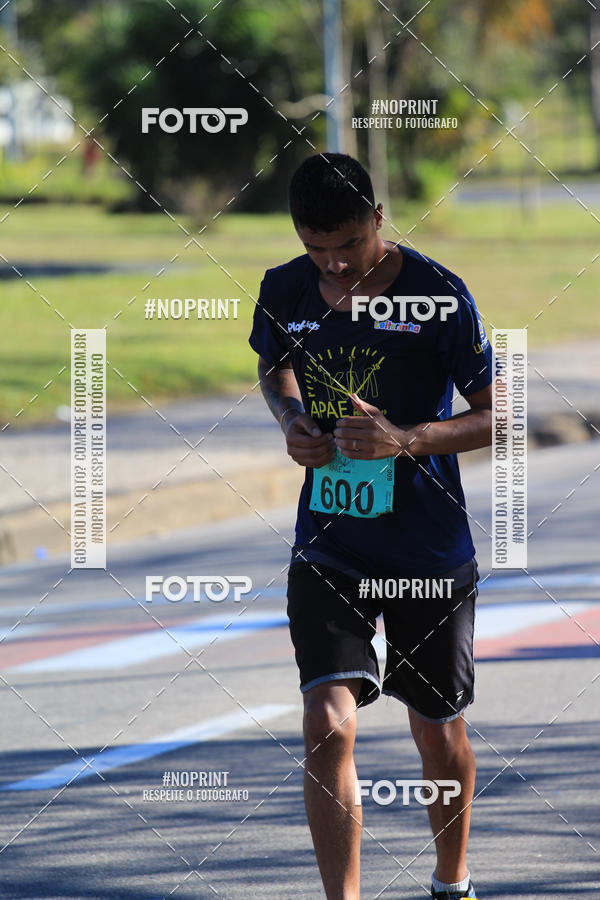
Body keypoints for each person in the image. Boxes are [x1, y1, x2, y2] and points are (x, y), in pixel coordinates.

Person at [249, 152, 493, 900]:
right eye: (317, 249)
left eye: (348, 246)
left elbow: (499, 415)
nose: (334, 265)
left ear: (378, 221)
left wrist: (409, 438)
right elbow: (273, 367)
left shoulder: (439, 295)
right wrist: (292, 421)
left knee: (437, 732)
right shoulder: (284, 287)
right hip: (330, 543)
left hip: (427, 548)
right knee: (327, 722)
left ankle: (451, 881)